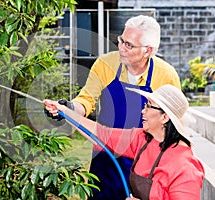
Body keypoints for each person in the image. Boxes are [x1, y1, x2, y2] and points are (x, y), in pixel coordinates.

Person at [45, 15, 181, 199]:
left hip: (146, 159)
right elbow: (86, 100)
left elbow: (173, 124)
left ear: (147, 50)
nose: (121, 48)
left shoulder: (166, 75)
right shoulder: (106, 64)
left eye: (129, 45)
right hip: (106, 153)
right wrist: (67, 108)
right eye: (121, 40)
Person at [43, 84, 205, 200]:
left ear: (165, 117)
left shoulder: (185, 167)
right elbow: (102, 134)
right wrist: (65, 112)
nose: (143, 111)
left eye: (149, 106)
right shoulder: (142, 139)